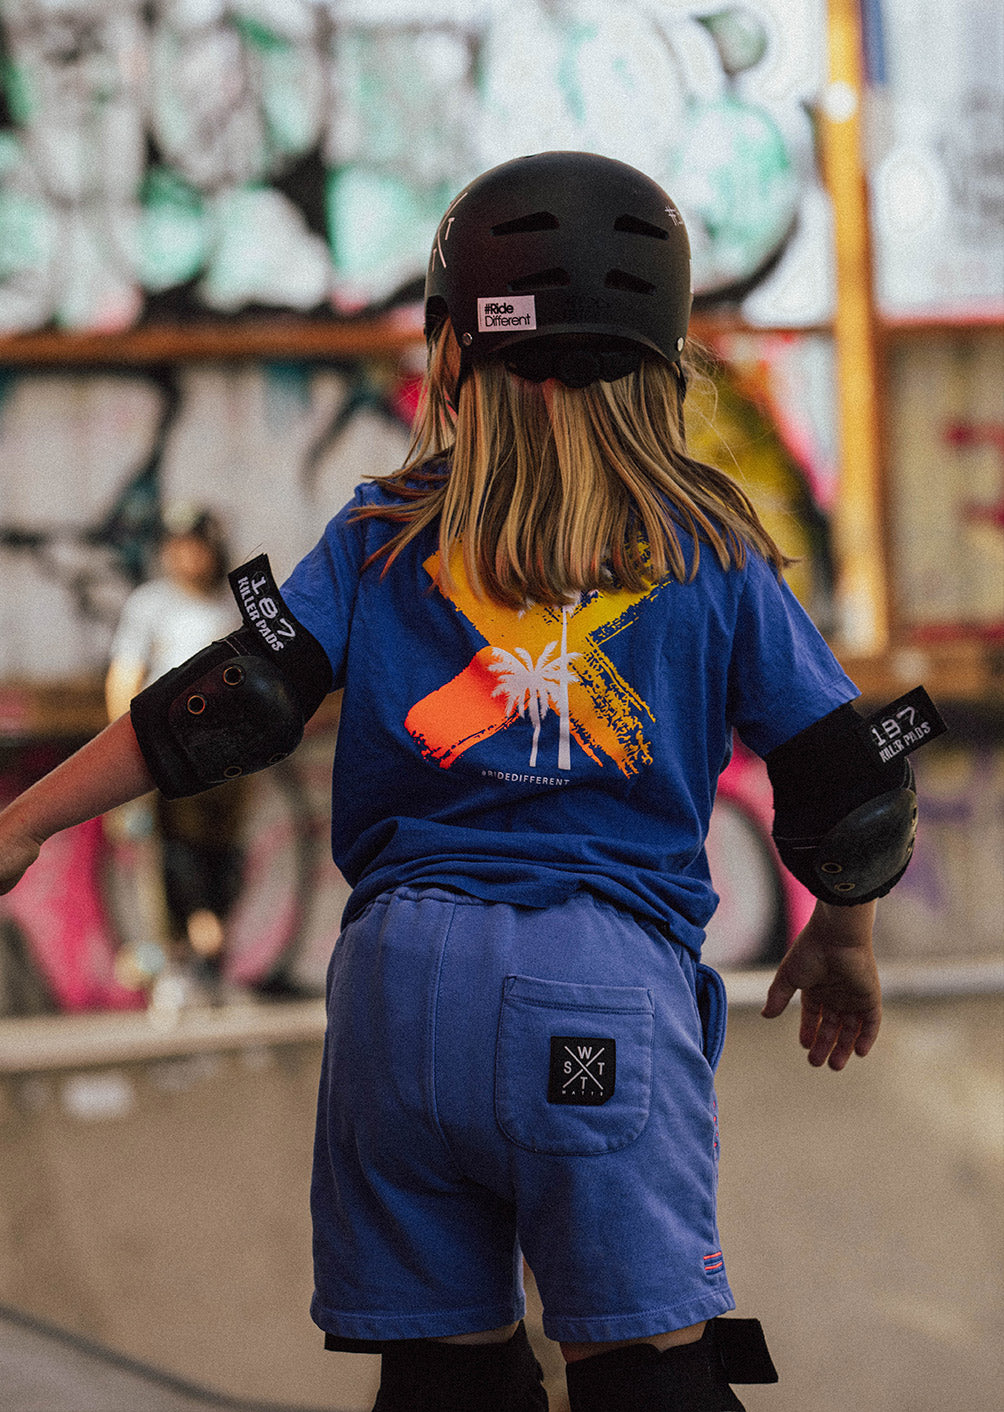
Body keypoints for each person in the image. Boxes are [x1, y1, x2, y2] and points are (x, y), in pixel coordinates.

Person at [0, 153, 942, 1411]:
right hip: (597, 999)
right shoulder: (710, 548)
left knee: (443, 1379)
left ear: (448, 352)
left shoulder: (381, 532)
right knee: (648, 1372)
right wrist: (842, 935)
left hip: (397, 1002)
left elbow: (225, 702)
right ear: (665, 364)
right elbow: (850, 791)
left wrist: (22, 819)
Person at [104, 505, 244, 1005]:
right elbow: (124, 676)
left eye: (196, 545)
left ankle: (209, 965)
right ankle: (178, 961)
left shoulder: (234, 604)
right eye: (178, 545)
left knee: (224, 853)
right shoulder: (150, 604)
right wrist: (131, 748)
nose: (187, 556)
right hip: (173, 749)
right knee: (172, 853)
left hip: (234, 752)